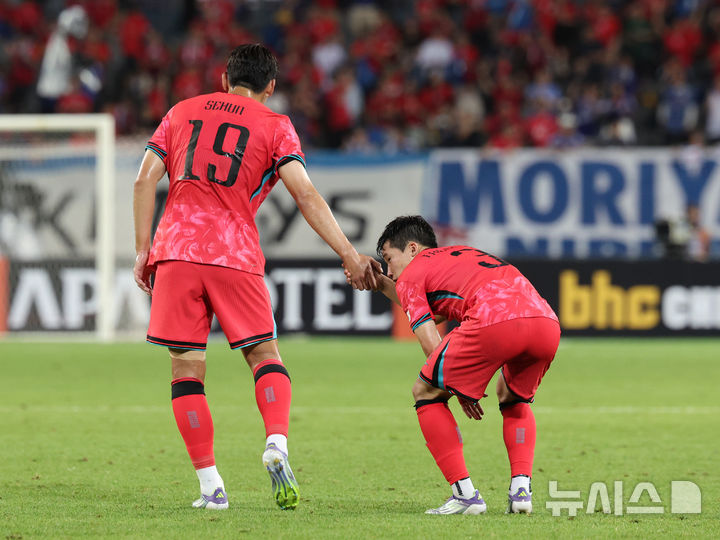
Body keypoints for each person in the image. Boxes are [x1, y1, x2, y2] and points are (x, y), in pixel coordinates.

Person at [133, 43, 379, 511]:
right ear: (270, 87)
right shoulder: (275, 125)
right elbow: (305, 194)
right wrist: (349, 254)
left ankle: (211, 487)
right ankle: (276, 442)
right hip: (235, 253)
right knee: (265, 356)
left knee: (186, 370)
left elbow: (145, 179)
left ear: (225, 79)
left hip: (176, 251)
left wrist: (143, 249)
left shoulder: (181, 112)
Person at [354, 215, 560, 515]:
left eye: (389, 259)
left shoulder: (413, 274)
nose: (390, 271)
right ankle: (521, 491)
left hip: (495, 320)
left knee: (425, 391)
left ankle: (465, 496)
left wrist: (455, 384)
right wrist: (381, 284)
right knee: (513, 397)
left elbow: (430, 340)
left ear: (412, 249)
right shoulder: (461, 255)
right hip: (545, 322)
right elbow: (436, 309)